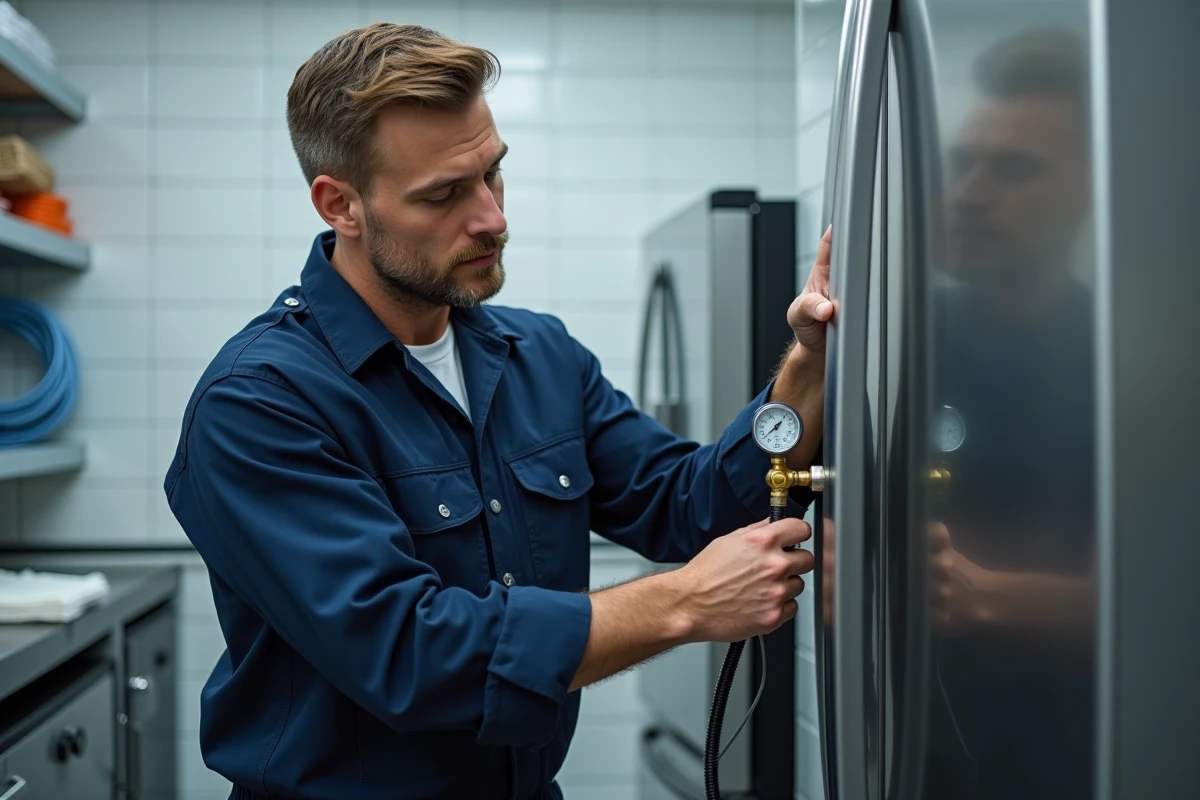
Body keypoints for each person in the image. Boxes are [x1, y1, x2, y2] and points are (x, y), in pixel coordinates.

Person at [163, 23, 834, 800]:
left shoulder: (538, 355)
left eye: (493, 174)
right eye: (445, 194)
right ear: (340, 204)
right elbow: (408, 653)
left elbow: (693, 505)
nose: (490, 218)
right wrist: (682, 604)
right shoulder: (259, 403)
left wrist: (810, 361)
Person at [922, 29, 1097, 800]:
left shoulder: (1135, 361)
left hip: (1081, 754)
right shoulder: (905, 338)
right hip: (913, 749)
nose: (970, 192)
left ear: (1097, 189)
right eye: (965, 163)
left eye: (1015, 169)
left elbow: (1163, 601)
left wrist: (977, 592)